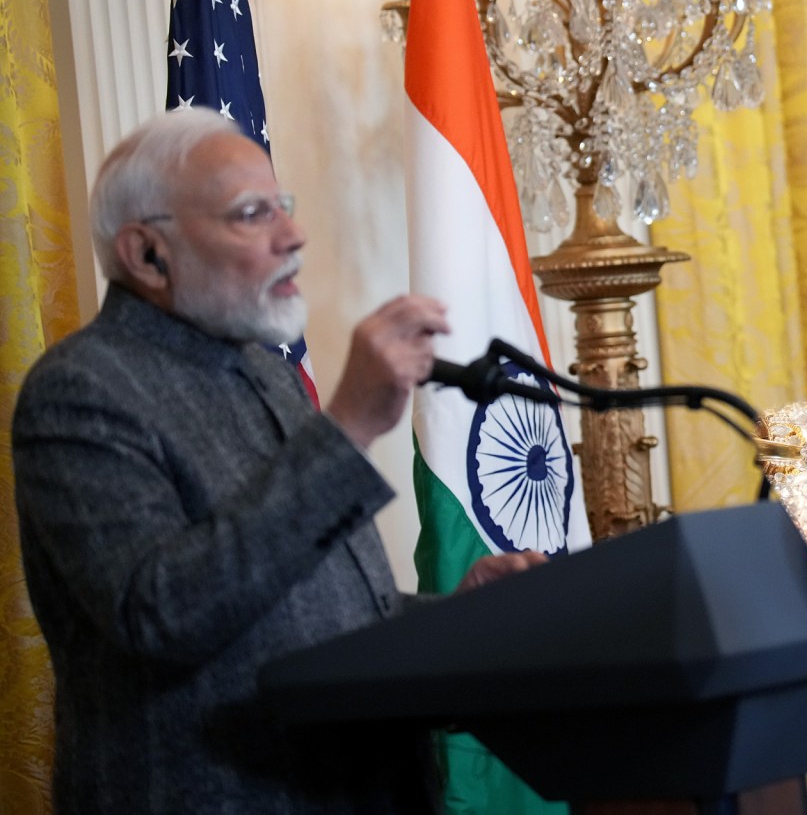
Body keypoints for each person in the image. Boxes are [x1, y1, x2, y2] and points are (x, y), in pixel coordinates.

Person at [12, 110, 538, 813]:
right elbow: (162, 614)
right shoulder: (81, 392)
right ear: (147, 254)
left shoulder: (266, 373)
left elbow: (308, 615)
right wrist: (347, 425)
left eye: (281, 208)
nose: (292, 235)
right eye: (252, 213)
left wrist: (453, 618)